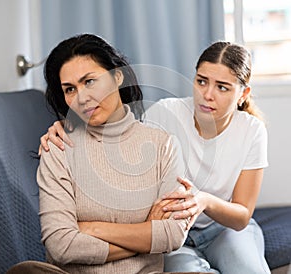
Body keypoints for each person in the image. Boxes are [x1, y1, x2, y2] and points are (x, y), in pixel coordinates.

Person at [40, 41, 271, 274]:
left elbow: (240, 215)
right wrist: (65, 125)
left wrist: (203, 201)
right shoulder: (165, 113)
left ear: (243, 94)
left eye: (222, 87)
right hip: (178, 238)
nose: (208, 95)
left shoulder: (251, 130)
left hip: (223, 229)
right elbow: (123, 137)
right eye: (201, 81)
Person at [33, 33, 193, 274]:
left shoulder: (164, 146)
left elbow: (172, 235)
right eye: (69, 89)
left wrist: (91, 229)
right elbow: (62, 246)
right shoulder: (57, 148)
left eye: (89, 81)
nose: (82, 98)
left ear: (118, 76)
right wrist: (148, 232)